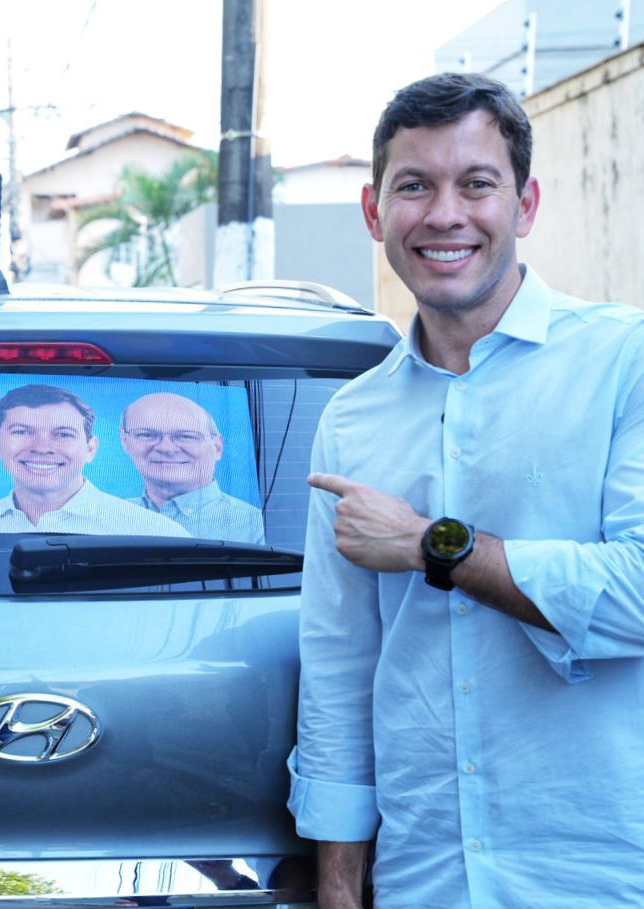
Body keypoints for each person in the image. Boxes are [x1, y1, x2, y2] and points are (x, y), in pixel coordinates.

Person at [289, 71, 644, 908]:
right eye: (413, 186)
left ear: (522, 206)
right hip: (429, 873)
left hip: (603, 868)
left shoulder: (623, 363)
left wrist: (429, 546)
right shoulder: (352, 417)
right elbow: (340, 667)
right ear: (375, 213)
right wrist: (339, 884)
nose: (444, 214)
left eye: (475, 184)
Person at [0, 384, 187, 535]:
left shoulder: (154, 532)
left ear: (90, 449)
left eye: (63, 434)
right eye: (22, 431)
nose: (42, 448)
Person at [120, 392, 265, 543]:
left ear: (218, 447)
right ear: (125, 441)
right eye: (147, 434)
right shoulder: (106, 517)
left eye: (186, 436)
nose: (166, 448)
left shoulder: (256, 527)